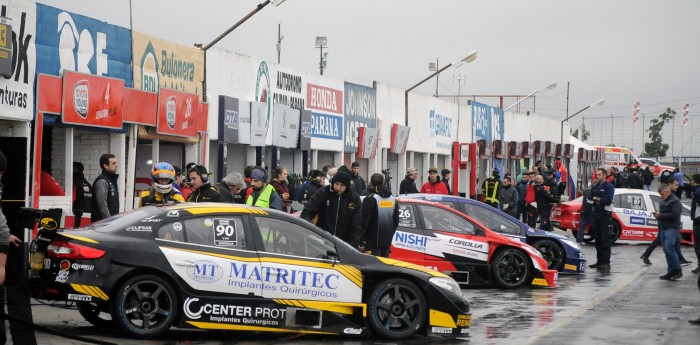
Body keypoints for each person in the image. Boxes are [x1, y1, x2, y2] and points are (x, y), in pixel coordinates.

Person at [301, 171, 362, 248]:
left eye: (342, 185)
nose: (338, 188)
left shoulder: (354, 198)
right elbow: (307, 212)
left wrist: (353, 245)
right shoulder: (323, 193)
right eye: (336, 184)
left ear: (347, 186)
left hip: (344, 244)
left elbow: (356, 225)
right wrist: (308, 233)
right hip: (321, 241)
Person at [639, 178, 691, 265]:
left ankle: (680, 259)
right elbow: (671, 212)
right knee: (661, 240)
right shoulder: (666, 195)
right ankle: (646, 255)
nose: (677, 187)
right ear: (669, 185)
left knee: (676, 240)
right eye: (675, 185)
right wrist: (661, 216)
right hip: (665, 224)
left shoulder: (670, 195)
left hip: (669, 223)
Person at [361, 173, 399, 257]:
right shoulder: (392, 199)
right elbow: (396, 221)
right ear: (383, 182)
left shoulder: (370, 198)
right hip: (387, 241)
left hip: (372, 242)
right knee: (384, 267)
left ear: (371, 182)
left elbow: (365, 222)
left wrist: (361, 239)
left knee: (373, 267)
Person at [588, 168, 615, 272]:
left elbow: (608, 200)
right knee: (597, 240)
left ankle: (606, 263)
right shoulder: (595, 186)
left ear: (604, 175)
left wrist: (597, 199)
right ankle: (599, 261)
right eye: (596, 174)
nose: (597, 176)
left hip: (605, 215)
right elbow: (590, 199)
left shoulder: (609, 187)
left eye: (599, 174)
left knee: (605, 240)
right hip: (596, 214)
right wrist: (597, 199)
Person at [654, 184, 683, 280]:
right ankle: (670, 271)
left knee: (669, 248)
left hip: (672, 228)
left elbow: (675, 214)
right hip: (664, 227)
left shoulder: (675, 201)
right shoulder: (664, 200)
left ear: (667, 192)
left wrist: (660, 216)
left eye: (662, 194)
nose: (661, 196)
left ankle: (677, 270)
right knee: (666, 250)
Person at [91, 153, 119, 222]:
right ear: (106, 166)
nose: (116, 165)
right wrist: (108, 222)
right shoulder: (102, 181)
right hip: (102, 224)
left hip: (111, 221)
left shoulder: (111, 180)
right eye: (113, 163)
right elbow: (102, 205)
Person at [72, 161, 93, 226]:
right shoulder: (87, 184)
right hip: (88, 216)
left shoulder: (74, 184)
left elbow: (70, 201)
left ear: (75, 169)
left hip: (77, 217)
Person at [690, 174, 700, 274]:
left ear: (693, 180)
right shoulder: (696, 191)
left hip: (698, 221)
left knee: (698, 245)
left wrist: (696, 218)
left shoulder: (697, 192)